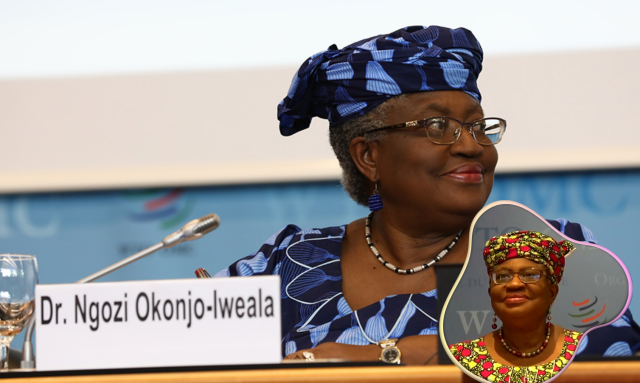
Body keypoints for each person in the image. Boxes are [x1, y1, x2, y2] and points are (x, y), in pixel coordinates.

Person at [215, 25, 640, 364]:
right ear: (369, 156)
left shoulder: (549, 248)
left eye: (478, 126)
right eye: (438, 127)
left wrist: (384, 355)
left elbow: (607, 355)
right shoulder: (283, 264)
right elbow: (184, 356)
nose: (472, 146)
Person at [450, 231, 581, 383]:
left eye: (530, 275)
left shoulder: (581, 349)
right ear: (490, 292)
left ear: (552, 292)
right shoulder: (463, 357)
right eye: (502, 277)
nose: (514, 284)